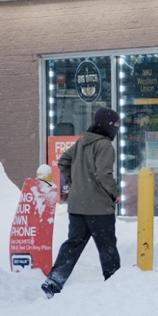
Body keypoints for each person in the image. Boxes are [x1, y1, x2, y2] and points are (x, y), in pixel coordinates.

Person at [42, 107, 122, 299]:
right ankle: (117, 284)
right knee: (107, 247)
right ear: (108, 125)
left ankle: (54, 281)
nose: (118, 128)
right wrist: (115, 193)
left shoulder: (81, 142)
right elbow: (104, 174)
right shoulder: (104, 146)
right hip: (99, 208)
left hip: (78, 206)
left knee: (73, 244)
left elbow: (62, 162)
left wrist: (74, 183)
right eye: (116, 124)